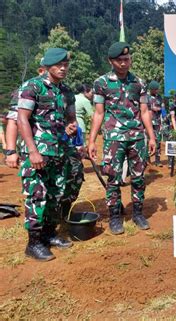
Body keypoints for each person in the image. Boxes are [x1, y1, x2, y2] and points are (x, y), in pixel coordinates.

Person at [88, 42, 156, 234]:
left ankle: (138, 213)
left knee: (138, 177)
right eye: (120, 60)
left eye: (127, 59)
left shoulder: (139, 83)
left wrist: (151, 137)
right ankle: (115, 217)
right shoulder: (101, 83)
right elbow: (98, 113)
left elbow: (144, 111)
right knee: (113, 178)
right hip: (114, 138)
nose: (124, 63)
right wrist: (92, 141)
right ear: (111, 61)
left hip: (137, 138)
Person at [17, 48, 77, 261]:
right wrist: (32, 151)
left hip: (59, 151)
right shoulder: (33, 86)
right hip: (39, 152)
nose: (63, 68)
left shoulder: (67, 91)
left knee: (56, 194)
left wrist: (71, 126)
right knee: (37, 196)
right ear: (48, 66)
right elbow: (22, 119)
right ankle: (33, 244)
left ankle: (49, 234)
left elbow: (71, 118)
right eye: (58, 65)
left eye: (66, 65)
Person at [148, 80, 164, 166]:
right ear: (151, 89)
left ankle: (158, 160)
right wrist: (153, 108)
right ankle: (148, 159)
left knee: (158, 141)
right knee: (148, 140)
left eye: (157, 89)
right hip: (148, 122)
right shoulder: (146, 97)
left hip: (157, 122)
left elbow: (161, 108)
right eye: (155, 89)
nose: (157, 91)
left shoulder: (159, 98)